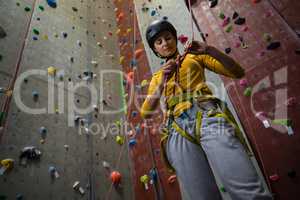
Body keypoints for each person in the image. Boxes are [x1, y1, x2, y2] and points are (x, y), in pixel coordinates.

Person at [141, 19, 273, 200]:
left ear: (175, 38)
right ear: (155, 50)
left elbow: (237, 72)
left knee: (247, 190)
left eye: (168, 38)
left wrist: (210, 50)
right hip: (175, 129)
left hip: (206, 114)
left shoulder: (194, 56)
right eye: (159, 42)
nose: (165, 43)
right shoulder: (157, 77)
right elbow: (146, 112)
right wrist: (163, 80)